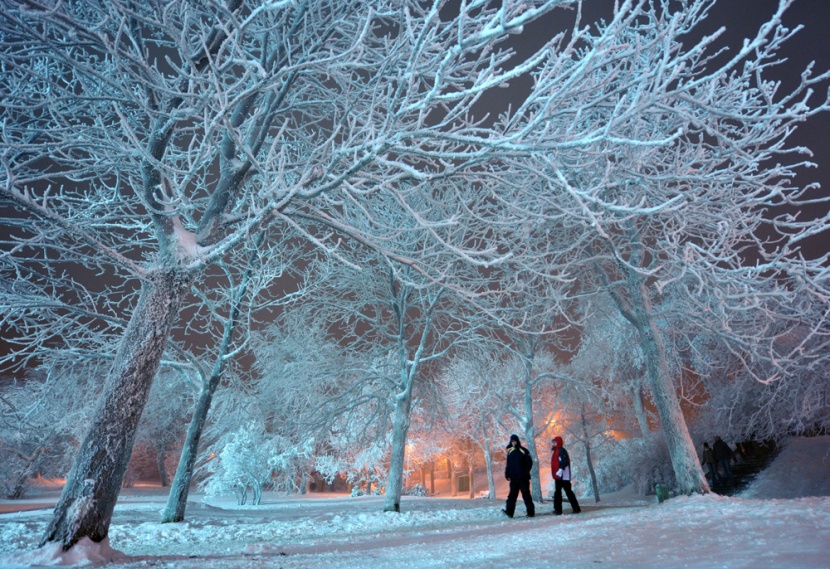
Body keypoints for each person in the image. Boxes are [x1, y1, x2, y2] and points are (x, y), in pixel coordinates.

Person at [502, 434, 535, 518]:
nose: (513, 443)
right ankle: (509, 512)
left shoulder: (524, 451)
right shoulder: (510, 452)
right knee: (512, 496)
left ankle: (531, 512)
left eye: (514, 441)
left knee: (526, 495)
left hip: (523, 478)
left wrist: (525, 472)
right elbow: (508, 464)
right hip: (514, 478)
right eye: (512, 441)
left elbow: (529, 463)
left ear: (517, 441)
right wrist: (507, 473)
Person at [550, 436, 581, 515]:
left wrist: (560, 470)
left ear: (558, 442)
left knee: (567, 492)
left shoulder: (561, 451)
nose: (553, 444)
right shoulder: (556, 451)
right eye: (553, 442)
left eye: (554, 442)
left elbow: (564, 461)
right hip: (558, 476)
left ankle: (576, 508)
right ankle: (558, 509)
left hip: (563, 476)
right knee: (558, 492)